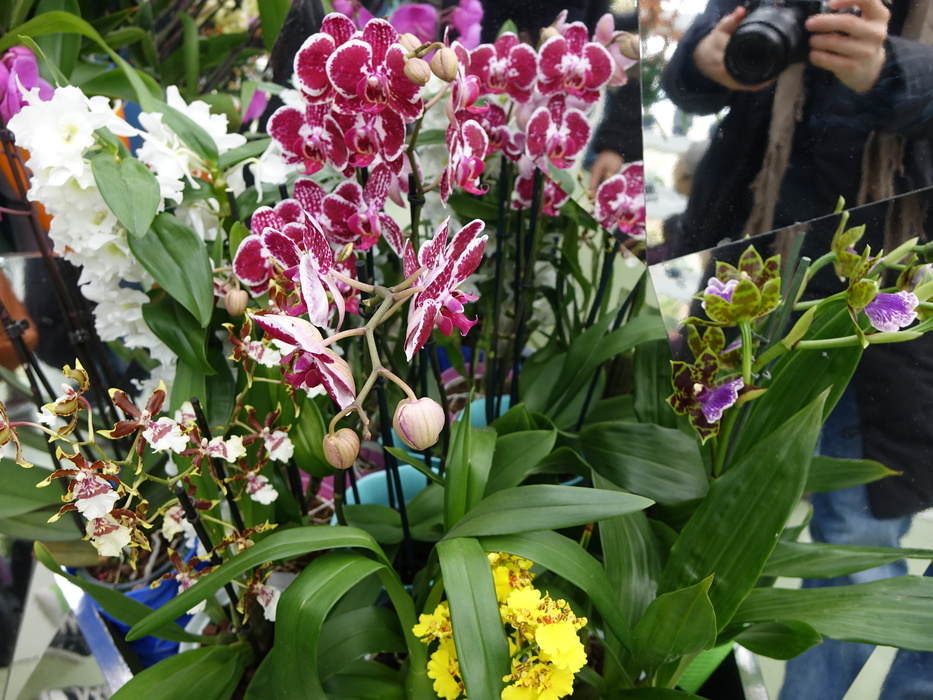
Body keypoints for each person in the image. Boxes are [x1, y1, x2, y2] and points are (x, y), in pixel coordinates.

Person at [662, 1, 933, 698]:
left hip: (881, 332)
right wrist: (705, 58)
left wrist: (892, 72)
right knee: (694, 504)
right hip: (748, 284)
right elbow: (685, 82)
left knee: (855, 544)